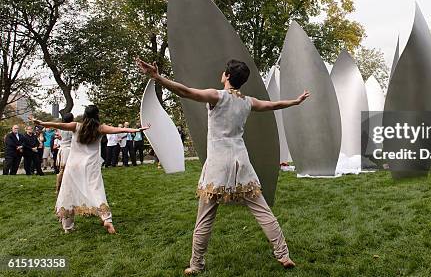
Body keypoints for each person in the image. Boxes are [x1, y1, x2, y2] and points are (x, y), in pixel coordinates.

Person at [137, 57, 309, 274]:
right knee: (262, 210)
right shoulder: (248, 101)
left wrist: (156, 76)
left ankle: (196, 264)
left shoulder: (216, 96)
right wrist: (295, 101)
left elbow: (185, 92)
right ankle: (283, 255)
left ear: (227, 76)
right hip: (241, 162)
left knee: (205, 216)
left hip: (218, 164)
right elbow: (274, 105)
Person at [30, 106, 149, 234]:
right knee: (97, 191)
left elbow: (57, 125)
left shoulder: (76, 126)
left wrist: (41, 123)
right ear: (97, 115)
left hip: (73, 165)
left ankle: (67, 227)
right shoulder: (100, 128)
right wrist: (137, 129)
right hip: (91, 166)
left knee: (68, 193)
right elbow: (119, 129)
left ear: (84, 115)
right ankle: (107, 219)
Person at [56, 113, 74, 193]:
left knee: (62, 170)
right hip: (68, 149)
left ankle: (60, 187)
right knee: (64, 170)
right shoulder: (71, 129)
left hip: (62, 149)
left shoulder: (61, 128)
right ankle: (59, 188)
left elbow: (60, 137)